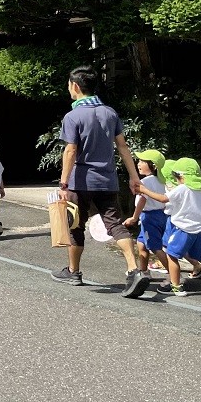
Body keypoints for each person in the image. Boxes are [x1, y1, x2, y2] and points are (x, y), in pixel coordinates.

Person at [51, 66, 149, 298]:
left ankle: (74, 272)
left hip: (80, 181)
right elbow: (123, 147)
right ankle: (134, 270)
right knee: (115, 225)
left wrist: (63, 184)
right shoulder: (110, 113)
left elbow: (70, 150)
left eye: (68, 85)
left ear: (75, 86)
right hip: (107, 179)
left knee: (75, 225)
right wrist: (134, 178)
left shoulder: (73, 116)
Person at [138, 158, 201, 299]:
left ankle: (176, 285)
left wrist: (143, 190)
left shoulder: (183, 189)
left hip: (182, 229)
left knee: (172, 255)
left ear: (181, 176)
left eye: (176, 177)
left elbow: (162, 199)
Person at [124, 150, 169, 275]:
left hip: (149, 217)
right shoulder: (161, 180)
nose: (138, 164)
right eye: (139, 161)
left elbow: (142, 201)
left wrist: (134, 217)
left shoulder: (145, 182)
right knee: (141, 243)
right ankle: (143, 271)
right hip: (161, 214)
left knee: (155, 247)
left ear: (153, 166)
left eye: (142, 161)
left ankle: (174, 276)